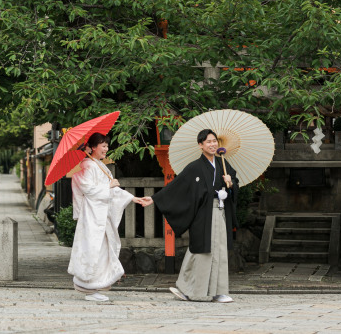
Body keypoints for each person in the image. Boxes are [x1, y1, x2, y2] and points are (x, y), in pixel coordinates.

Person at [141, 129, 239, 303]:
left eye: (214, 141)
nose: (212, 144)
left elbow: (234, 185)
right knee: (201, 251)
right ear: (200, 145)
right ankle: (190, 289)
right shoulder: (195, 167)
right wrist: (155, 198)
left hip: (220, 211)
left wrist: (230, 185)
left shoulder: (224, 164)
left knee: (219, 251)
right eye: (208, 142)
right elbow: (177, 186)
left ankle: (219, 291)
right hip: (202, 214)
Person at [67, 132, 149, 303]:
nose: (106, 148)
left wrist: (132, 198)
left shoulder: (99, 165)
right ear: (92, 148)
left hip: (100, 216)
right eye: (103, 145)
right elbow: (88, 190)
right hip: (92, 217)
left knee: (103, 250)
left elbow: (113, 191)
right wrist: (108, 185)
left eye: (106, 145)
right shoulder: (88, 166)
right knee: (94, 250)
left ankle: (94, 285)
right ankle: (89, 286)